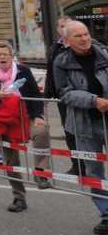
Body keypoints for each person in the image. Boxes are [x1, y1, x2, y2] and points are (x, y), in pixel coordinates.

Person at [0, 41, 48, 213]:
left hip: (27, 115)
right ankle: (19, 197)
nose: (2, 57)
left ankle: (40, 172)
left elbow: (35, 94)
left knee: (41, 131)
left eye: (5, 54)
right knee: (10, 161)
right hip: (5, 120)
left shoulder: (23, 71)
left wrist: (38, 115)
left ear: (11, 56)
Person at [53, 20, 108, 234]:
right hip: (84, 124)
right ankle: (106, 215)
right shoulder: (61, 62)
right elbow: (64, 93)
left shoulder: (104, 54)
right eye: (78, 36)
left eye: (86, 34)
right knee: (94, 170)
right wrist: (93, 100)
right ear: (67, 40)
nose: (85, 39)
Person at [45, 15, 86, 176]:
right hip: (64, 97)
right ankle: (77, 166)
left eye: (67, 25)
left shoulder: (84, 47)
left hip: (83, 96)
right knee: (70, 132)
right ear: (57, 29)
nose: (64, 29)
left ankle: (91, 165)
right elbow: (51, 73)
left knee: (88, 133)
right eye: (61, 26)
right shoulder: (56, 48)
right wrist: (47, 95)